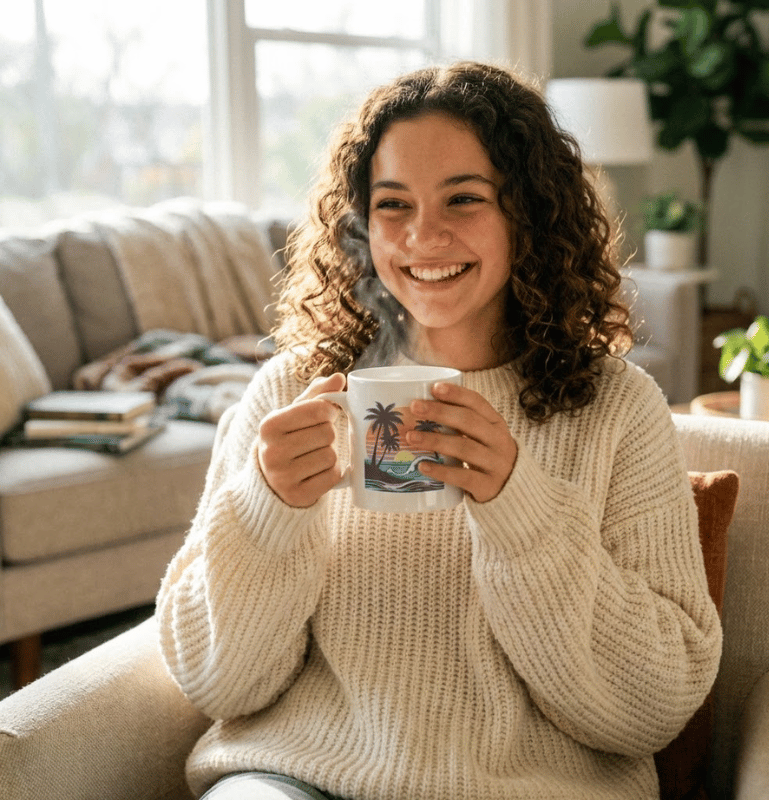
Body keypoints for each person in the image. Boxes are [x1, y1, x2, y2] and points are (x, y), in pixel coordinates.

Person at [156, 61, 722, 800]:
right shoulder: (291, 393)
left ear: (529, 213)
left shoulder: (617, 407)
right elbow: (214, 683)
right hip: (294, 777)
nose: (424, 235)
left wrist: (521, 510)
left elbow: (653, 709)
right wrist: (267, 510)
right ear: (361, 223)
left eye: (464, 198)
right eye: (394, 204)